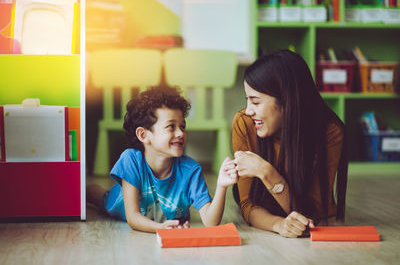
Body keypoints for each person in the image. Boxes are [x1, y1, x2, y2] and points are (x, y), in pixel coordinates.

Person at [87, 86, 237, 233]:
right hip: (118, 202)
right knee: (99, 197)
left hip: (162, 219)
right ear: (144, 135)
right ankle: (83, 188)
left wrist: (222, 186)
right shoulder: (131, 160)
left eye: (183, 126)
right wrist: (160, 228)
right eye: (171, 126)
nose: (180, 133)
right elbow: (133, 217)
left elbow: (210, 222)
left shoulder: (191, 170)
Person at [232, 49, 348, 238]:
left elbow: (310, 216)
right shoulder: (244, 124)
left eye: (255, 102)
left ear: (286, 101)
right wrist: (278, 224)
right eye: (247, 100)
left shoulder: (329, 132)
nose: (248, 111)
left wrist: (267, 172)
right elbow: (247, 204)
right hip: (266, 210)